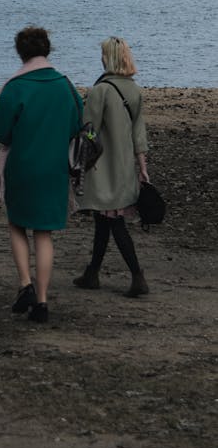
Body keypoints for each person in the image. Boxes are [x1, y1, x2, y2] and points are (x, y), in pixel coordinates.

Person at [0, 26, 82, 323]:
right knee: (44, 233)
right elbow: (76, 125)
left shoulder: (15, 86)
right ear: (48, 49)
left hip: (22, 165)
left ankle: (25, 284)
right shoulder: (65, 85)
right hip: (54, 167)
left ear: (21, 52)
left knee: (17, 224)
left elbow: (1, 131)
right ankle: (42, 302)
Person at [72, 37, 150, 297]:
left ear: (109, 58)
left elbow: (88, 129)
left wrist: (81, 157)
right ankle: (92, 273)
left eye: (103, 54)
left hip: (103, 168)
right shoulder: (134, 90)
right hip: (125, 166)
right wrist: (142, 165)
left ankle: (138, 276)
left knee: (113, 222)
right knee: (104, 221)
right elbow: (139, 132)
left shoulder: (100, 90)